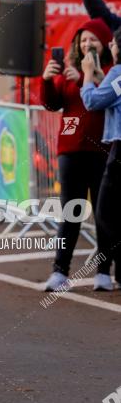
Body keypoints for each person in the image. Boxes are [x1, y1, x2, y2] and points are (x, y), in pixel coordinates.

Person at [40, 18, 113, 291]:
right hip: (70, 149)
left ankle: (104, 271)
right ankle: (59, 271)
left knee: (104, 214)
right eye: (82, 40)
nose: (86, 44)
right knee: (70, 212)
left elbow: (102, 97)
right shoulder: (68, 69)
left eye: (92, 39)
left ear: (104, 42)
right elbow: (52, 103)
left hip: (102, 149)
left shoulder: (110, 70)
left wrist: (85, 76)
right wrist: (47, 80)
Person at [80, 27, 121, 291]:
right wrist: (99, 76)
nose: (109, 44)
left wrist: (86, 76)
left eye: (113, 41)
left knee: (105, 212)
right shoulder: (115, 75)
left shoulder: (118, 73)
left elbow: (93, 101)